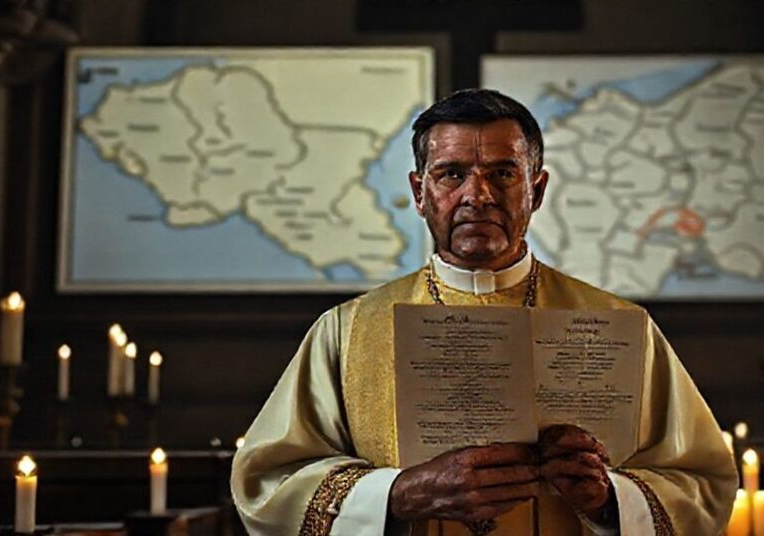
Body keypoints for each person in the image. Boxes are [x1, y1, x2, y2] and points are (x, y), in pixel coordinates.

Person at [231, 89, 736, 536]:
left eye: (502, 174)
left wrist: (609, 499)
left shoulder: (624, 327)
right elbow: (268, 484)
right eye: (452, 175)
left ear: (535, 191)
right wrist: (400, 495)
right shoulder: (346, 331)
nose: (478, 195)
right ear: (419, 193)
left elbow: (701, 483)